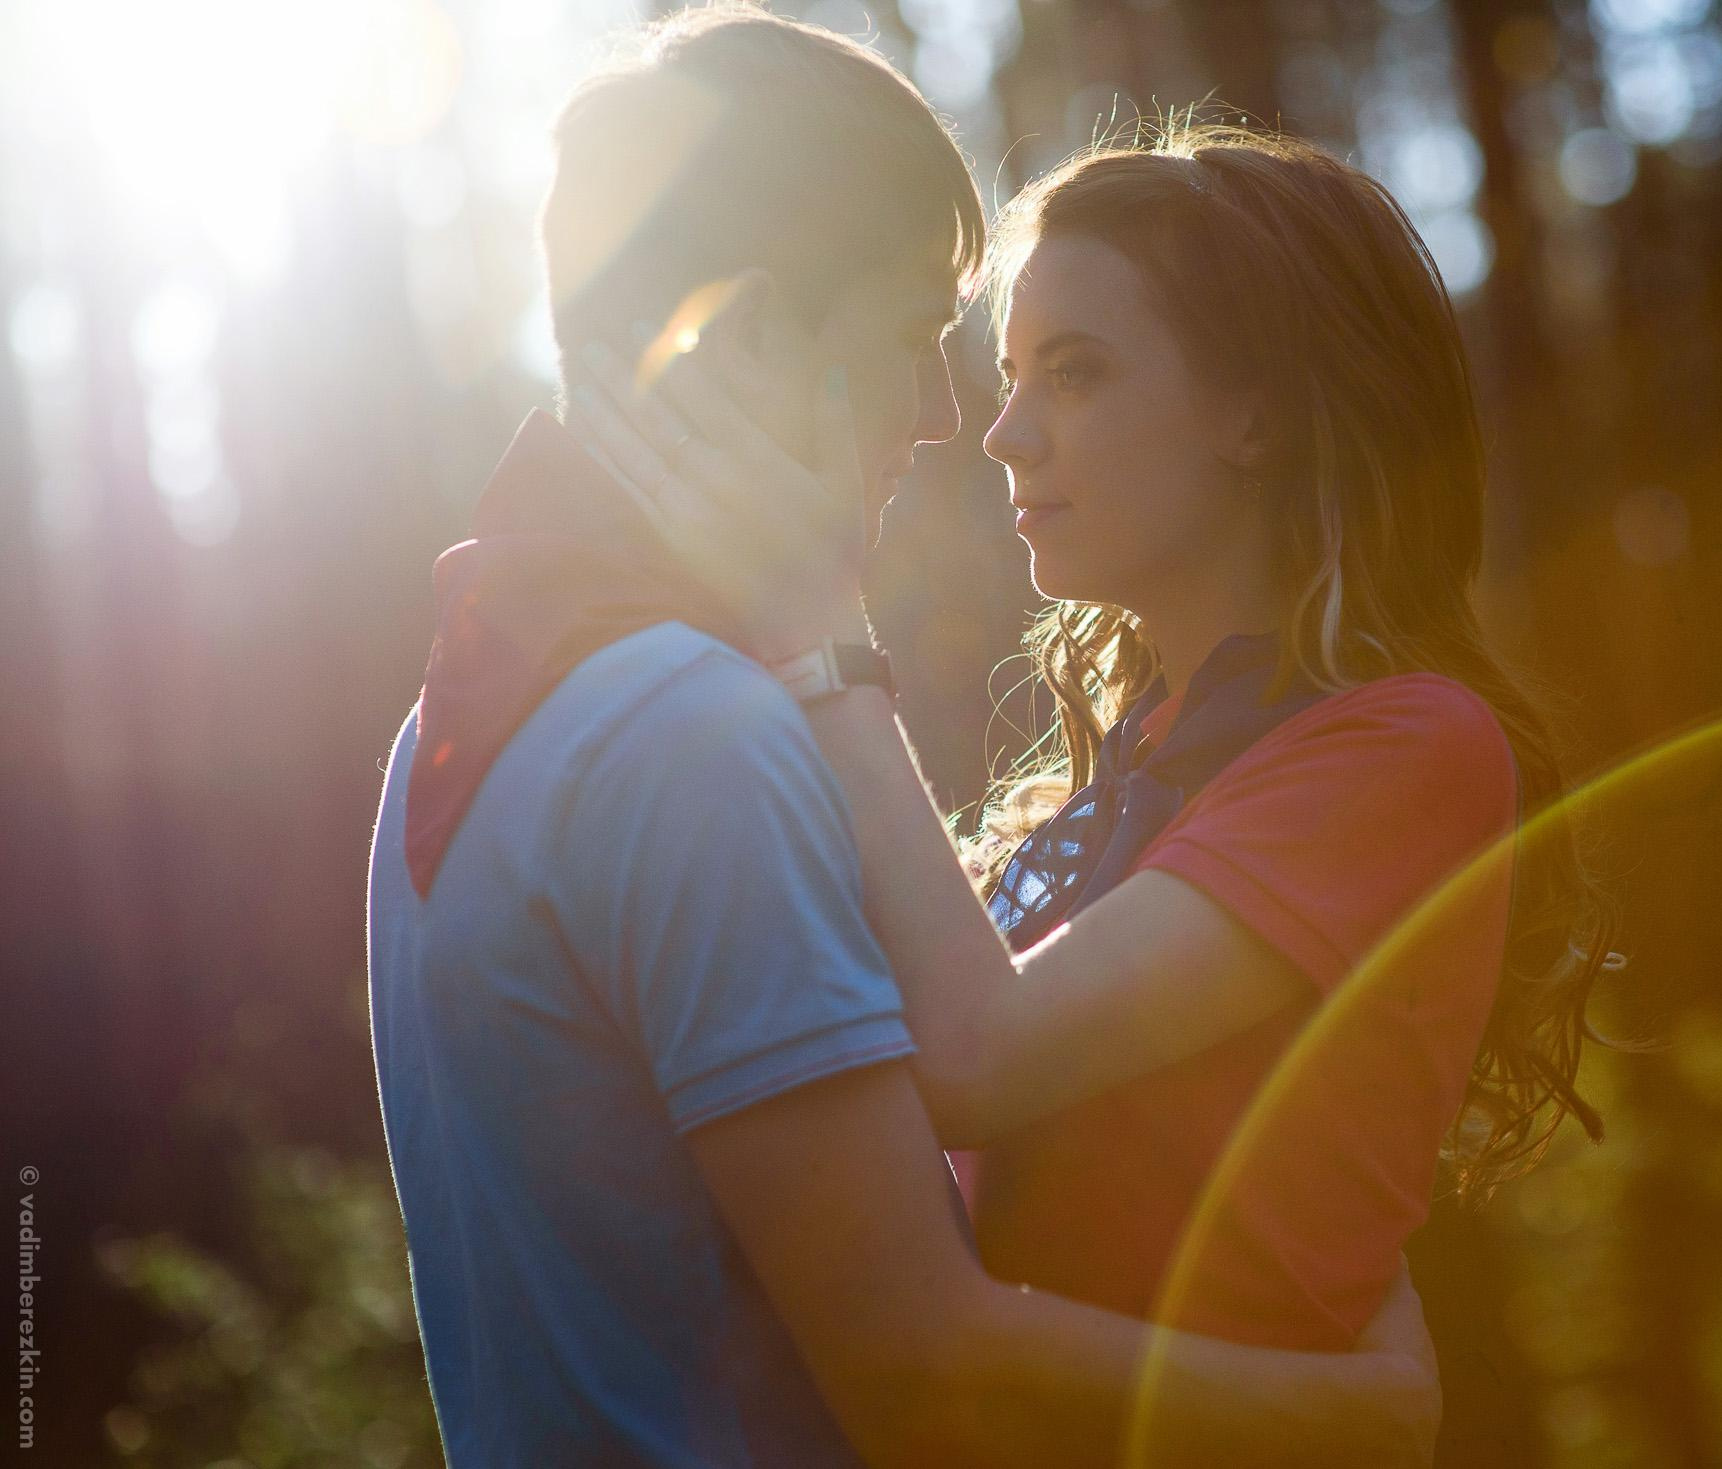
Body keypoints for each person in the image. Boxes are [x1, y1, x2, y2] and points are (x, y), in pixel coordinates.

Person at [366, 10, 1438, 1467]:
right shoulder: (697, 737)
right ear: (748, 342)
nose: (952, 417)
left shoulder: (459, 709)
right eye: (913, 342)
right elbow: (926, 1364)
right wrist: (1357, 1417)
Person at [577, 117, 1618, 1366]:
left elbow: (974, 1051)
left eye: (1072, 373)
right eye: (1012, 374)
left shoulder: (1407, 748)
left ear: (1256, 414)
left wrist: (815, 627)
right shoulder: (1127, 767)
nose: (1007, 432)